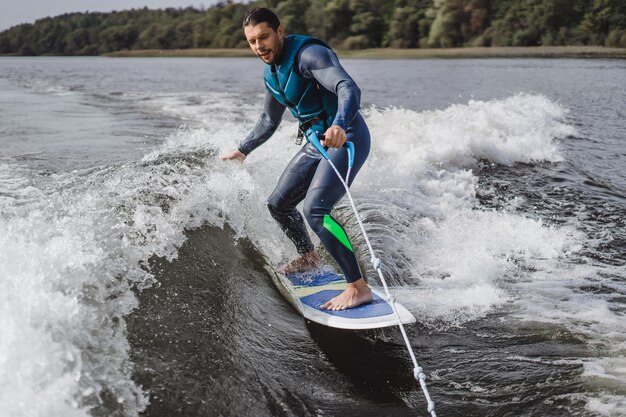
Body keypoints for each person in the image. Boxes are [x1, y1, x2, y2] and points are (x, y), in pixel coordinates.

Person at [220, 7, 372, 311]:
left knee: (315, 209)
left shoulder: (310, 55)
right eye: (251, 41)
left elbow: (347, 87)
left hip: (347, 135)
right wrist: (243, 150)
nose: (259, 46)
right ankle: (308, 256)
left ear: (280, 31)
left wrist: (340, 123)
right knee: (279, 203)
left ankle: (358, 287)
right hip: (317, 142)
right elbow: (268, 120)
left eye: (264, 36)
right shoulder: (271, 72)